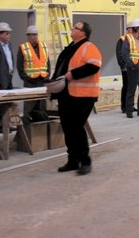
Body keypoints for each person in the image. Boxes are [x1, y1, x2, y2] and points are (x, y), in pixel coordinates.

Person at [49, 21, 102, 175]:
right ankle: (73, 161)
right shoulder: (70, 48)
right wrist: (52, 86)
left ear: (83, 33)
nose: (72, 29)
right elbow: (61, 69)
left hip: (83, 96)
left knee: (77, 128)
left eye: (75, 28)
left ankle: (85, 161)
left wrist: (73, 74)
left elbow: (93, 66)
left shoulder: (89, 48)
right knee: (68, 129)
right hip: (67, 94)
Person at [17, 25, 50, 121]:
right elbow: (20, 66)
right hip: (30, 81)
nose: (35, 37)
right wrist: (25, 77)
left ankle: (41, 123)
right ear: (28, 36)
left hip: (42, 80)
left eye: (36, 35)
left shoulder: (43, 46)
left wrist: (47, 74)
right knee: (29, 104)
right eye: (33, 35)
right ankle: (27, 123)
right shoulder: (23, 47)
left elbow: (47, 62)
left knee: (41, 104)